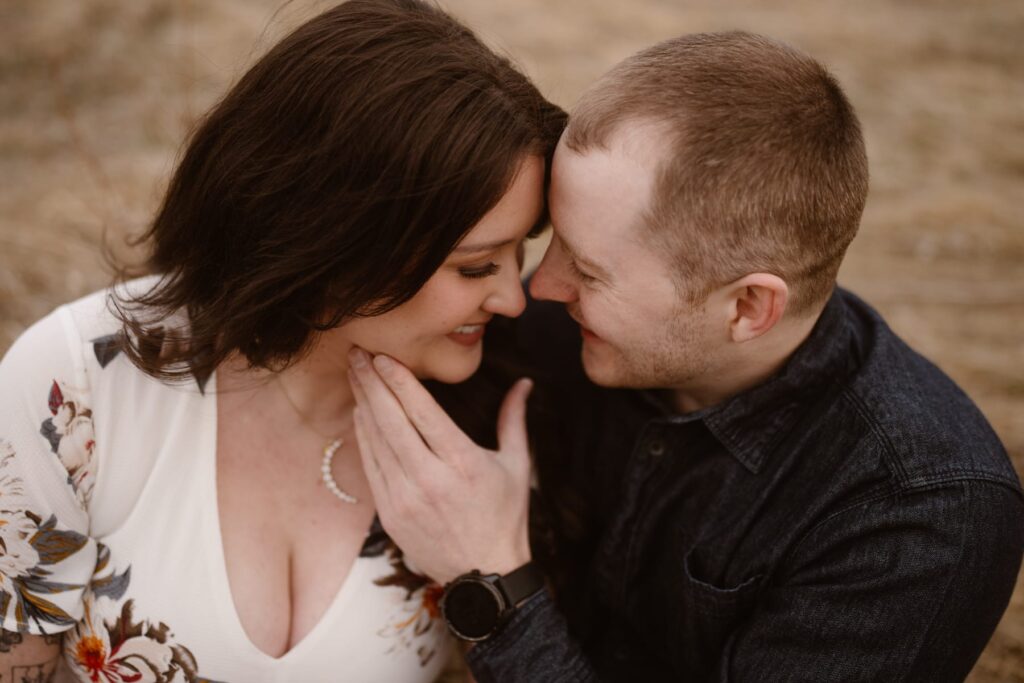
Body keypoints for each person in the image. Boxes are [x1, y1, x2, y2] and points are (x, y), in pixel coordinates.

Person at [348, 31, 1024, 681]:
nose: (538, 291)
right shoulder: (557, 330)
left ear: (748, 308)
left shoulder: (917, 516)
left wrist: (492, 581)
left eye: (587, 270)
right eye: (551, 243)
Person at [0, 0, 565, 680]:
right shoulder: (77, 388)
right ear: (339, 241)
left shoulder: (499, 422)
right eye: (475, 266)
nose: (510, 298)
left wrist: (501, 571)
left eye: (516, 255)